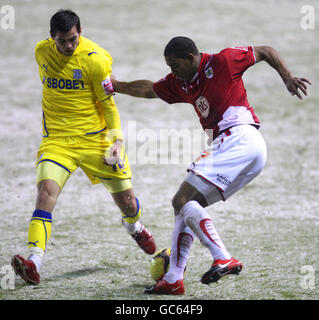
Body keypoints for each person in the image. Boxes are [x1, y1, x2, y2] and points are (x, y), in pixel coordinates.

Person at [111, 36, 311, 295]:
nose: (173, 71)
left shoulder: (223, 61)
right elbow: (149, 89)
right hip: (248, 150)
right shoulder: (180, 83)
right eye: (169, 67)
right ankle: (173, 278)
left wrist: (287, 76)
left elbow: (265, 50)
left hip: (238, 138)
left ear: (192, 57)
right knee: (185, 206)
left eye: (176, 65)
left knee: (182, 199)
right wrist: (117, 86)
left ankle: (222, 257)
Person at [11, 9, 156, 285]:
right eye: (63, 40)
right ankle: (33, 262)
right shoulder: (41, 53)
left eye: (74, 39)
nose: (69, 45)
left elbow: (108, 104)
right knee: (45, 192)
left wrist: (117, 140)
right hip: (58, 141)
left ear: (81, 32)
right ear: (51, 37)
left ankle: (134, 226)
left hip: (97, 140)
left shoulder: (96, 60)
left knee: (128, 204)